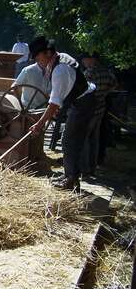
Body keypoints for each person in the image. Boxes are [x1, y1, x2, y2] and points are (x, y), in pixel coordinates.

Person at [28, 36, 96, 190]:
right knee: (70, 139)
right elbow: (62, 93)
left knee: (69, 140)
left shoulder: (59, 69)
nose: (38, 62)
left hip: (83, 103)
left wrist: (39, 124)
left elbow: (54, 103)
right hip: (82, 100)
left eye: (38, 58)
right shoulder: (61, 57)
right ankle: (69, 174)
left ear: (47, 53)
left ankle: (71, 179)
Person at [80, 52, 117, 176]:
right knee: (94, 139)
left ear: (91, 60)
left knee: (84, 138)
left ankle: (85, 168)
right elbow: (114, 84)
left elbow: (83, 91)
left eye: (84, 60)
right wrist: (105, 93)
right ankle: (93, 166)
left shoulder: (88, 74)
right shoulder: (107, 72)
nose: (83, 62)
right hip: (101, 108)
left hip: (90, 109)